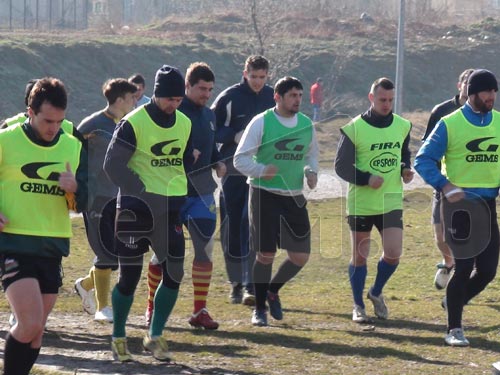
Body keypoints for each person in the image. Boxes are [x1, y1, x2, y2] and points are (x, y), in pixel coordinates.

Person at [104, 64, 193, 362]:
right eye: (170, 99)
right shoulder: (133, 123)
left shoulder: (185, 123)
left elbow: (184, 164)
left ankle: (154, 336)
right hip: (135, 209)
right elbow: (113, 165)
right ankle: (118, 336)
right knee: (129, 277)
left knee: (175, 271)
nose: (174, 104)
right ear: (156, 95)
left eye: (179, 99)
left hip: (169, 209)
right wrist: (139, 190)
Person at [0, 77, 87, 375]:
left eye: (59, 121)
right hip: (13, 243)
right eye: (48, 120)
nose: (54, 128)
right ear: (30, 111)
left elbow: (84, 202)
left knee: (37, 332)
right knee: (29, 323)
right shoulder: (6, 140)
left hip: (51, 245)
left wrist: (75, 188)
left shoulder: (73, 145)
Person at [415, 69, 500, 347]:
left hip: (488, 206)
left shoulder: (499, 122)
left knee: (487, 271)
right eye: (487, 91)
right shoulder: (449, 124)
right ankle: (454, 329)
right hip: (459, 207)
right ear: (472, 93)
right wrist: (444, 185)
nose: (492, 96)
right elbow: (423, 160)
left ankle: (454, 301)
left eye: (494, 91)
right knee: (463, 268)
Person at [145, 62, 226, 329]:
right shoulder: (174, 114)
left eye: (210, 90)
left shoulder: (210, 115)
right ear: (187, 87)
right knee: (164, 255)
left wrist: (218, 162)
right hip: (173, 194)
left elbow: (210, 148)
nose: (206, 94)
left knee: (204, 252)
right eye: (202, 89)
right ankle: (152, 307)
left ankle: (199, 311)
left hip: (202, 194)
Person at [234, 76, 319, 326]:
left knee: (300, 255)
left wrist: (310, 172)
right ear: (277, 97)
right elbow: (240, 160)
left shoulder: (306, 124)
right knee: (266, 254)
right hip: (264, 193)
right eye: (292, 95)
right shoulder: (261, 122)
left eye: (300, 96)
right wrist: (261, 170)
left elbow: (311, 155)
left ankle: (272, 290)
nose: (297, 100)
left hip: (293, 196)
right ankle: (259, 309)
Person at [335, 77, 413, 323]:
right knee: (360, 255)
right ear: (371, 98)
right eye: (382, 100)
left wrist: (405, 169)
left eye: (390, 100)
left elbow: (403, 154)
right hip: (362, 202)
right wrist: (366, 178)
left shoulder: (403, 125)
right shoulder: (355, 127)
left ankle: (376, 292)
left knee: (393, 252)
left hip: (391, 199)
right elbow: (340, 167)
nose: (387, 104)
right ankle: (358, 305)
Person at [211, 55, 275, 305]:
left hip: (261, 168)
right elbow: (212, 127)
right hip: (233, 167)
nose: (258, 82)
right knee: (232, 223)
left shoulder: (273, 97)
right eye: (254, 76)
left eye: (262, 77)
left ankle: (251, 284)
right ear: (245, 73)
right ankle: (235, 282)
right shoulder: (229, 97)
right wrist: (234, 135)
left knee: (254, 224)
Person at [74, 78, 138, 323]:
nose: (135, 102)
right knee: (106, 253)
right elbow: (72, 153)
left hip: (119, 197)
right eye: (132, 97)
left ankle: (85, 284)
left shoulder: (128, 125)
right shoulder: (91, 124)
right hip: (95, 198)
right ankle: (103, 308)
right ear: (120, 99)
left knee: (116, 255)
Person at [422, 68, 474, 290]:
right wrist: (438, 179)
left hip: (472, 185)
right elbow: (427, 146)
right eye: (467, 83)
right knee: (440, 235)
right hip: (444, 183)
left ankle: (464, 270)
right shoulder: (442, 111)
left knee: (469, 234)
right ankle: (448, 261)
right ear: (459, 85)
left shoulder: (485, 114)